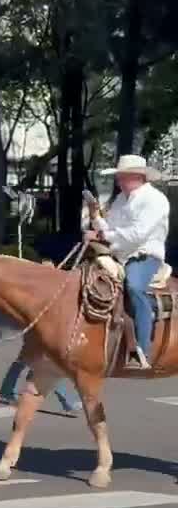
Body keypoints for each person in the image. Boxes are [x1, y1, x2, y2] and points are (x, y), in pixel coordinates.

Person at [84, 155, 170, 369]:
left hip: (145, 255)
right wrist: (95, 216)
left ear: (136, 176)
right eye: (119, 177)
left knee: (133, 286)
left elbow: (137, 234)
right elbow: (109, 228)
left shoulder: (155, 200)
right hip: (119, 254)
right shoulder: (122, 199)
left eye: (121, 177)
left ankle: (142, 350)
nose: (119, 181)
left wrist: (101, 237)